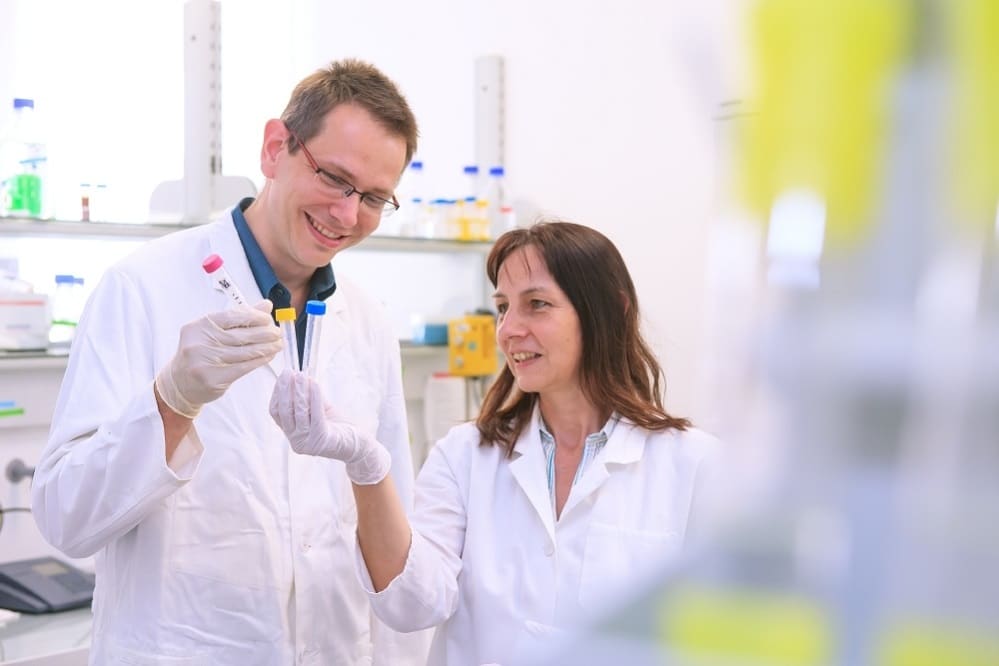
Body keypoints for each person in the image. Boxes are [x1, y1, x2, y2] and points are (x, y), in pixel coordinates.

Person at [31, 59, 430, 665]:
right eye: (335, 180)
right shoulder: (141, 288)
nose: (348, 216)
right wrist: (172, 401)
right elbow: (67, 518)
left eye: (374, 198)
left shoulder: (368, 320)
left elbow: (391, 551)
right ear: (276, 148)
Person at [269, 220, 723, 665]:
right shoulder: (465, 456)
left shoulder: (694, 465)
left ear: (612, 311)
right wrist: (366, 466)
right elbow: (411, 605)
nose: (508, 329)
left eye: (538, 304)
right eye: (503, 306)